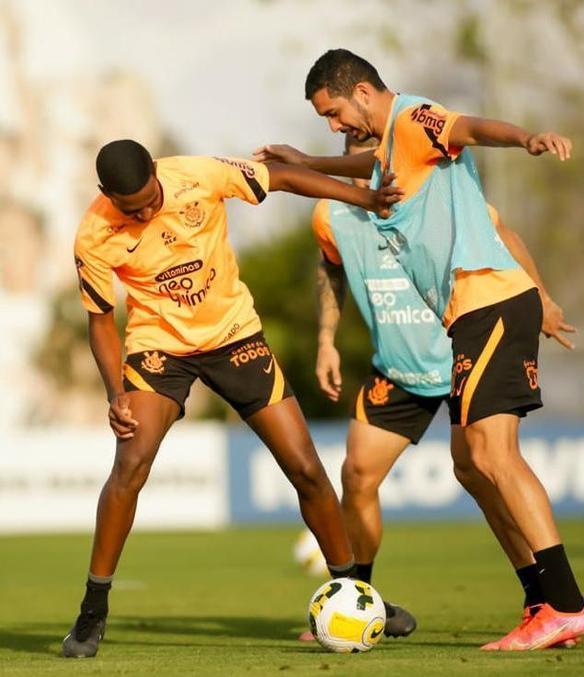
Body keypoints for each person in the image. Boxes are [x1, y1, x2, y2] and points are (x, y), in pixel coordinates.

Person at [255, 48, 584, 651]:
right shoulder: (387, 151)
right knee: (471, 465)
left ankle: (565, 604)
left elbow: (467, 127)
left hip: (489, 300)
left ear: (362, 91)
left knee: (495, 456)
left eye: (334, 113)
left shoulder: (413, 118)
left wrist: (526, 139)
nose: (333, 127)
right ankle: (542, 600)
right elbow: (366, 164)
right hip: (466, 316)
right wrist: (306, 160)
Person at [62, 139, 401, 658]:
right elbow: (101, 320)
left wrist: (365, 200)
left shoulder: (201, 174)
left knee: (306, 468)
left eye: (151, 198)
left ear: (156, 172)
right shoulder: (94, 233)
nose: (148, 212)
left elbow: (282, 176)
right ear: (108, 195)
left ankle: (355, 594)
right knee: (130, 464)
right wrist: (116, 394)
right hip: (160, 349)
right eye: (133, 210)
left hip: (234, 337)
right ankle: (92, 610)